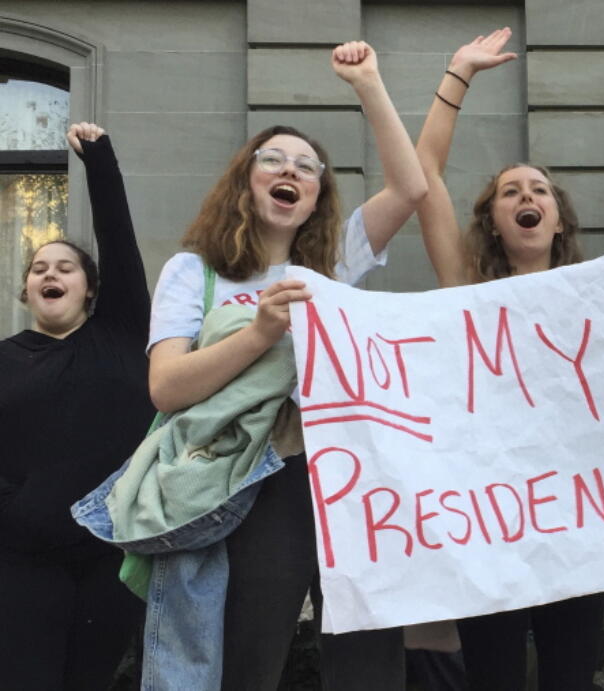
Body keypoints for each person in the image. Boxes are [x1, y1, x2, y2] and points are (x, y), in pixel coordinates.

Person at [145, 41, 427, 688]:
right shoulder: (194, 272)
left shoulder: (332, 266)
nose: (290, 168)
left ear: (315, 194)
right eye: (273, 158)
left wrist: (369, 83)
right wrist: (259, 334)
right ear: (247, 178)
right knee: (250, 646)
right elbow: (165, 386)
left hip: (343, 474)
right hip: (249, 480)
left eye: (308, 165)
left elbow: (411, 186)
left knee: (370, 648)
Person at [412, 28, 604, 691]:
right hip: (492, 526)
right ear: (492, 219)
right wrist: (458, 73)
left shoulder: (594, 301)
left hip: (574, 525)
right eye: (512, 191)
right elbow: (422, 178)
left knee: (571, 674)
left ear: (558, 219)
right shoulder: (467, 288)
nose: (527, 197)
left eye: (539, 189)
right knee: (492, 676)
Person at [0, 123, 150, 688]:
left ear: (90, 287)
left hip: (110, 559)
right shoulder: (5, 359)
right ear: (28, 290)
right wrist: (13, 512)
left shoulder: (120, 333)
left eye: (65, 267)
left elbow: (118, 239)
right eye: (39, 268)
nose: (50, 273)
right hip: (20, 562)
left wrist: (99, 160)